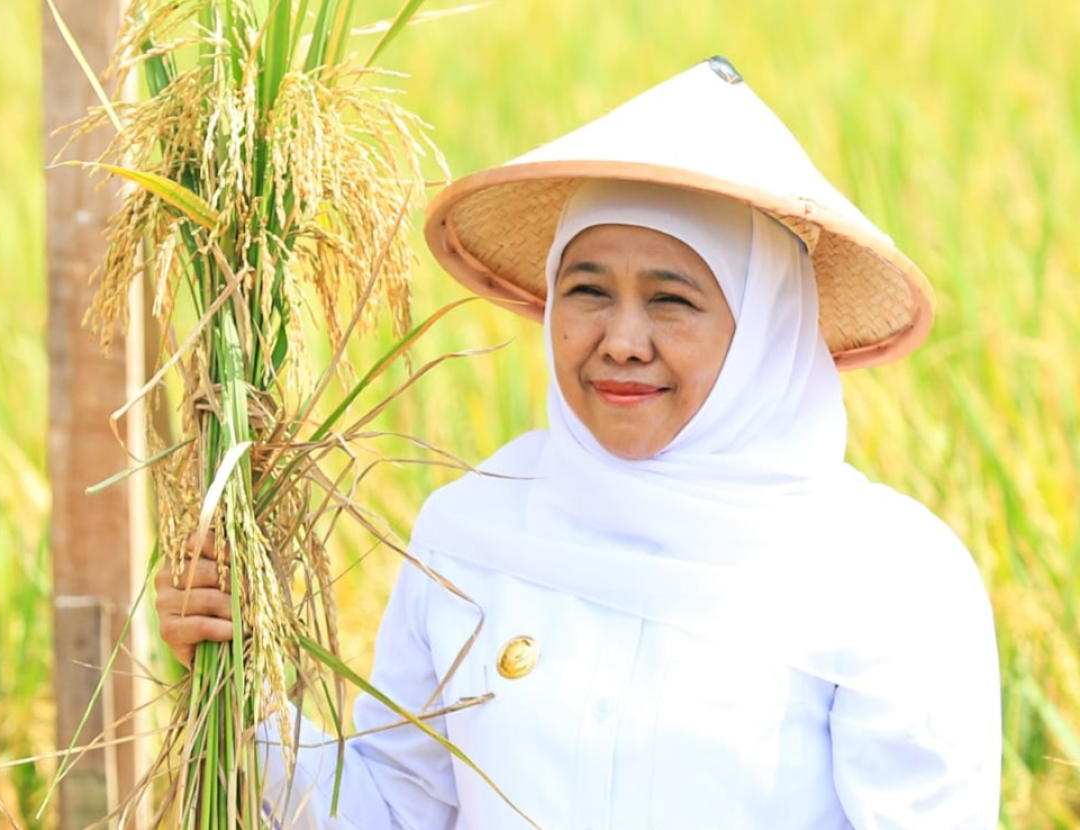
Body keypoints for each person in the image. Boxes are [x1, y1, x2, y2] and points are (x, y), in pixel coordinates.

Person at [156, 57, 1001, 829]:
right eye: (588, 291)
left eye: (672, 300)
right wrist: (245, 691)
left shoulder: (888, 576)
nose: (621, 341)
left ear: (765, 333)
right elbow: (397, 812)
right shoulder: (473, 534)